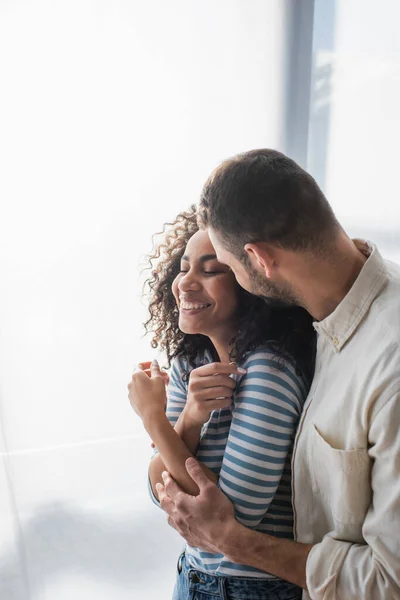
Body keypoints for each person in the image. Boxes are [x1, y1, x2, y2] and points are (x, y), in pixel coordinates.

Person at [154, 149, 400, 600]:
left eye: (221, 266)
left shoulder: (389, 365)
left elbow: (390, 581)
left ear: (259, 259)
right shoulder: (317, 323)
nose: (188, 282)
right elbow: (161, 487)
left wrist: (230, 540)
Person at [128, 206, 316, 600]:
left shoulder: (269, 368)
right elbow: (156, 489)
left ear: (251, 282)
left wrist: (154, 420)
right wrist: (192, 417)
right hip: (192, 574)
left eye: (211, 270)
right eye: (183, 268)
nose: (186, 283)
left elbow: (230, 516)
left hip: (252, 586)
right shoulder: (189, 363)